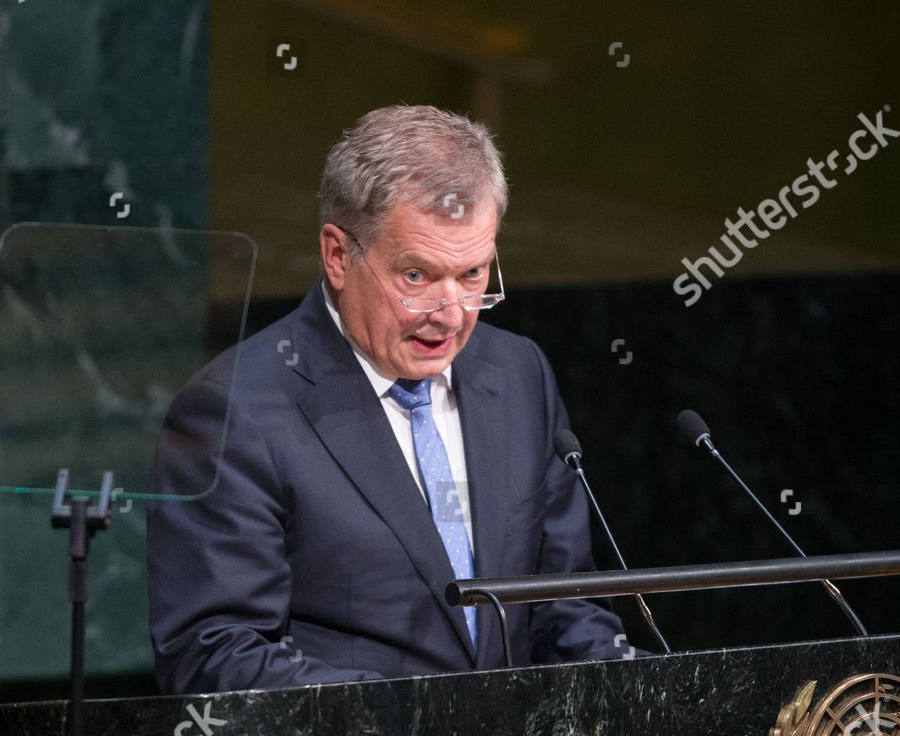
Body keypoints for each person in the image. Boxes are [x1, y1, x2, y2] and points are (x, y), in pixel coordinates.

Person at [148, 104, 629, 693]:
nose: (450, 316)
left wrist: (643, 693)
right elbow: (215, 656)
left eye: (474, 274)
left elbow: (564, 605)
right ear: (337, 256)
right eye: (417, 277)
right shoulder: (235, 411)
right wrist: (412, 725)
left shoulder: (517, 372)